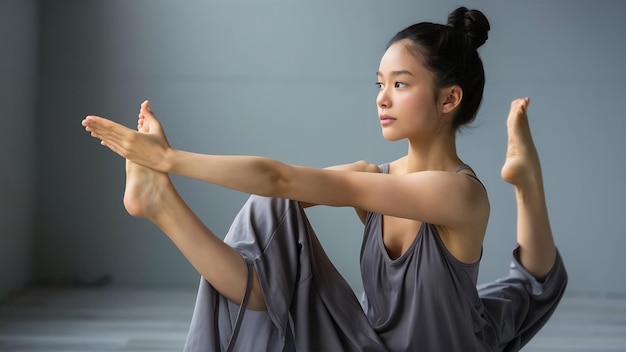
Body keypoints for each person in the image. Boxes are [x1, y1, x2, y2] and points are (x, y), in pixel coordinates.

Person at [81, 6, 567, 352]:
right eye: (380, 84)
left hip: (457, 343)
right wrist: (168, 171)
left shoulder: (457, 193)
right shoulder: (375, 178)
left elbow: (282, 176)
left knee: (530, 289)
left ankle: (526, 179)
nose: (382, 98)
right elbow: (277, 187)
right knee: (269, 209)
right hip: (369, 343)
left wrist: (169, 159)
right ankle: (161, 208)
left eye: (400, 84)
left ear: (448, 100)